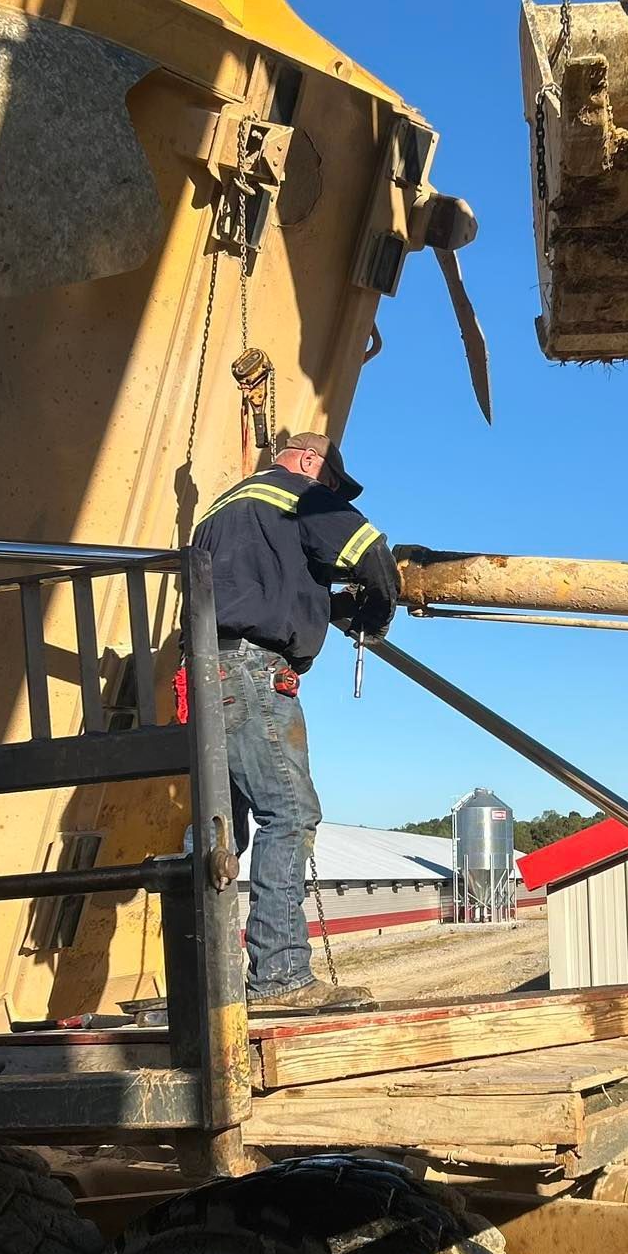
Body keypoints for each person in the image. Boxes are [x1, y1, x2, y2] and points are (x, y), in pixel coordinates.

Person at [191, 430, 398, 1013]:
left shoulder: (219, 511)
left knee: (213, 829)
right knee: (289, 813)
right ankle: (280, 975)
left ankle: (202, 984)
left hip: (204, 670)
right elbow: (372, 555)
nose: (329, 490)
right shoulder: (298, 494)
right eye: (329, 479)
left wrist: (323, 604)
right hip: (256, 672)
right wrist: (373, 615)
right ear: (309, 461)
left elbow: (266, 586)